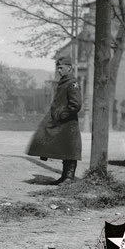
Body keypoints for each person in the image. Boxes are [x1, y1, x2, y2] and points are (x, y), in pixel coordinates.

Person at [26, 56, 82, 185]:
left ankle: (69, 177)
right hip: (60, 120)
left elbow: (76, 104)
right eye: (58, 69)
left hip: (68, 122)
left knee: (69, 149)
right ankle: (64, 176)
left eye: (62, 68)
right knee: (59, 145)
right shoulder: (64, 81)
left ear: (69, 68)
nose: (60, 71)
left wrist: (63, 114)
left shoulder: (73, 83)